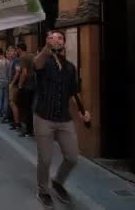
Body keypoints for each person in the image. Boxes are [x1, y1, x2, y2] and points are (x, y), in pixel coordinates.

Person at [33, 30, 90, 208]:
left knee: (73, 157)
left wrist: (83, 111)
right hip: (44, 117)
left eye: (59, 38)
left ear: (64, 43)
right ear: (47, 42)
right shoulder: (44, 61)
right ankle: (43, 190)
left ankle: (58, 181)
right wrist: (46, 49)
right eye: (51, 37)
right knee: (45, 158)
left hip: (64, 118)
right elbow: (36, 64)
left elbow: (74, 91)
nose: (55, 40)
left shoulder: (70, 67)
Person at [16, 42, 35, 137]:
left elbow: (24, 73)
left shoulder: (22, 58)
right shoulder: (32, 55)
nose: (16, 51)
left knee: (23, 107)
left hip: (26, 86)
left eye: (17, 49)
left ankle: (25, 130)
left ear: (19, 49)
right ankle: (31, 129)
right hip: (33, 86)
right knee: (30, 108)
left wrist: (20, 84)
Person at [0, 48, 11, 121]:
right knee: (6, 98)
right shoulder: (9, 62)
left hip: (0, 81)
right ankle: (4, 114)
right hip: (7, 81)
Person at [9, 46, 21, 130]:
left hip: (14, 85)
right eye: (9, 51)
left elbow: (17, 72)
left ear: (16, 52)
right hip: (12, 84)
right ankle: (15, 121)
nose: (10, 53)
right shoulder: (12, 60)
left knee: (13, 103)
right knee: (12, 103)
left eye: (12, 51)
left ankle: (17, 123)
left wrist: (12, 83)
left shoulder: (16, 60)